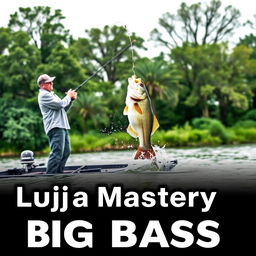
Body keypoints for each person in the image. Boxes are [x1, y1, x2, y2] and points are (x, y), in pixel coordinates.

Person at [37, 74, 77, 174]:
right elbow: (60, 104)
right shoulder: (44, 95)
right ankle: (50, 177)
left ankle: (58, 175)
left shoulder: (51, 94)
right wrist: (68, 96)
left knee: (66, 152)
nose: (52, 83)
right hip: (55, 127)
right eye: (49, 82)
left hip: (62, 126)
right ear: (42, 85)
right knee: (57, 153)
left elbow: (63, 109)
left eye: (51, 82)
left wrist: (70, 100)